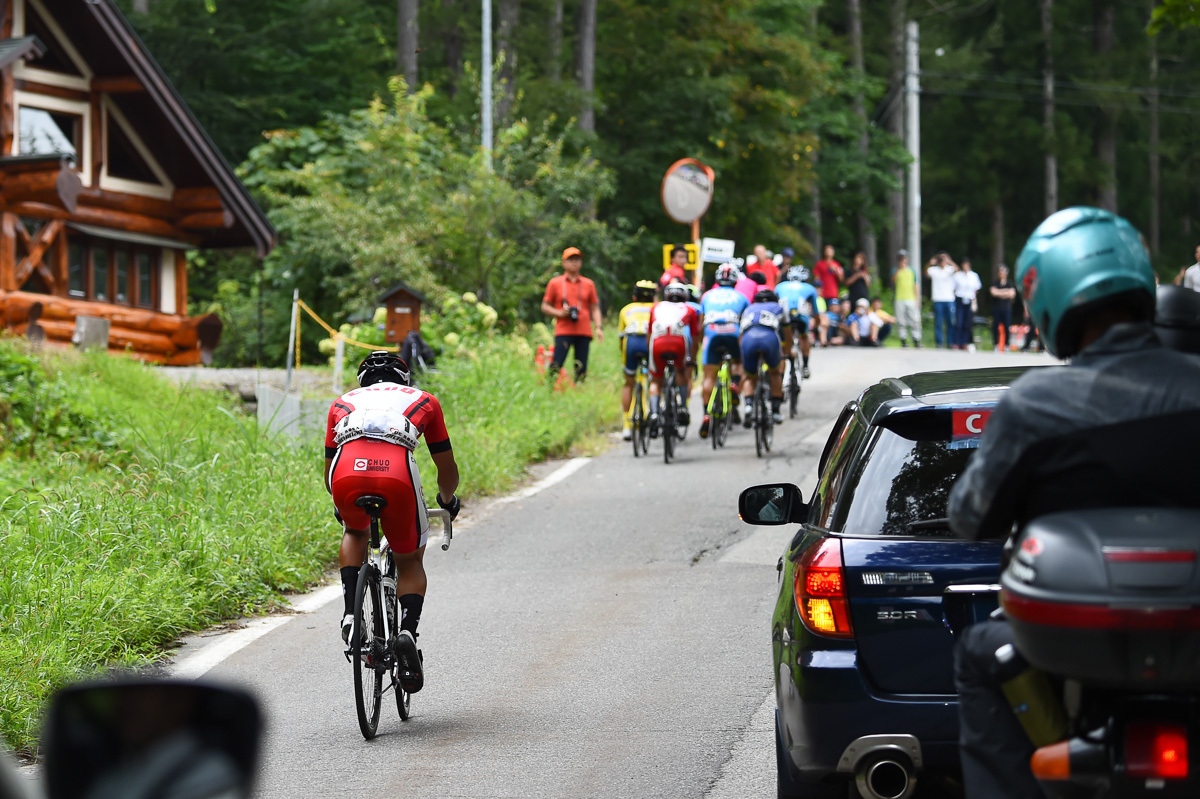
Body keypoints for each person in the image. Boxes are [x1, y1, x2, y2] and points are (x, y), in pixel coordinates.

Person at [948, 206, 1200, 799]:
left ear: (1048, 297)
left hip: (1066, 651)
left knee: (981, 654)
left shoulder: (1035, 404)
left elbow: (971, 518)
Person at [325, 352, 461, 694]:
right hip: (396, 474)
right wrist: (447, 500)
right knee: (409, 559)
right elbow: (446, 468)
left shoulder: (341, 403)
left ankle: (351, 615)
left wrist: (343, 507)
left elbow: (327, 473)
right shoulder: (424, 400)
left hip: (345, 474)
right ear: (404, 379)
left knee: (355, 529)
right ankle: (406, 632)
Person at [698, 264, 750, 438]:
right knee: (739, 362)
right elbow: (746, 321)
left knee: (709, 377)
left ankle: (706, 414)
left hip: (712, 333)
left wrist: (699, 342)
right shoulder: (741, 297)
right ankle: (735, 383)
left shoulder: (707, 295)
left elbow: (700, 323)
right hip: (732, 332)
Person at [647, 281, 701, 433]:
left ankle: (654, 413)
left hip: (657, 342)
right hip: (678, 342)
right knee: (681, 372)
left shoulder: (656, 307)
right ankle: (683, 407)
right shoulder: (689, 308)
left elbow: (649, 334)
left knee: (656, 380)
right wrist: (692, 358)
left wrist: (649, 353)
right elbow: (695, 337)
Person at [542, 247, 604, 380]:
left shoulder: (588, 284)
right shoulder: (555, 283)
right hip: (563, 330)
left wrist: (599, 327)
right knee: (556, 364)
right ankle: (549, 389)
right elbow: (545, 306)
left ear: (581, 263)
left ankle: (579, 392)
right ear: (563, 263)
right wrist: (559, 313)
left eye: (577, 259)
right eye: (570, 259)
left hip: (583, 331)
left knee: (581, 368)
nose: (574, 262)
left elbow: (594, 307)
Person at [740, 288, 788, 425]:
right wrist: (787, 352)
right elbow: (787, 333)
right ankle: (776, 411)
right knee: (774, 373)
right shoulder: (779, 307)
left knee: (750, 376)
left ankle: (749, 406)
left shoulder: (749, 308)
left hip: (748, 338)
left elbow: (741, 334)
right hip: (769, 338)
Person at [617, 280, 657, 440]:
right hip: (649, 341)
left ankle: (626, 426)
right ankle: (653, 415)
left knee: (629, 383)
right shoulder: (656, 308)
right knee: (655, 381)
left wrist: (623, 355)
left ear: (634, 295)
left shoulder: (626, 309)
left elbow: (621, 338)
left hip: (631, 343)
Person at [774, 265, 817, 378]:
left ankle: (781, 372)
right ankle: (806, 365)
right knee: (804, 337)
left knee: (784, 343)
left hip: (783, 317)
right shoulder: (809, 287)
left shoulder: (779, 286)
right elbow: (816, 312)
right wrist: (816, 325)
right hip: (800, 318)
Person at [927, 251, 958, 347]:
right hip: (937, 299)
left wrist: (949, 260)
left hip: (949, 299)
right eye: (940, 259)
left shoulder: (950, 269)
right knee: (938, 322)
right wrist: (930, 262)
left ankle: (950, 342)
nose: (942, 261)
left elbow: (957, 269)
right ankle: (939, 343)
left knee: (950, 322)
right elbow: (925, 272)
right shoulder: (934, 270)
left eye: (943, 259)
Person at [891, 250, 921, 347]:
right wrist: (900, 269)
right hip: (899, 298)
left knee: (914, 320)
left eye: (904, 258)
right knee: (901, 321)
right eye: (901, 259)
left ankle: (916, 339)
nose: (903, 260)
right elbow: (893, 280)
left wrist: (917, 299)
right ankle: (903, 340)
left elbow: (915, 285)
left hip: (911, 299)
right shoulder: (895, 270)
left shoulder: (912, 271)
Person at [952, 257, 982, 349]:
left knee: (967, 323)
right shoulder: (957, 276)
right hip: (960, 299)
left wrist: (974, 301)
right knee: (959, 322)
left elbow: (976, 289)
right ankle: (957, 342)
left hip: (969, 300)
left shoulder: (974, 275)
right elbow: (953, 288)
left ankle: (965, 342)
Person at [989, 264, 1017, 350]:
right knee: (995, 327)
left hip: (1006, 308)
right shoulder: (994, 283)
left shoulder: (1010, 283)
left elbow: (1012, 294)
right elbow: (993, 293)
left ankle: (1007, 345)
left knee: (1007, 327)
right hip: (996, 308)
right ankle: (996, 344)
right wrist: (1006, 292)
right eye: (1000, 272)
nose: (1001, 274)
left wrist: (999, 292)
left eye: (1003, 272)